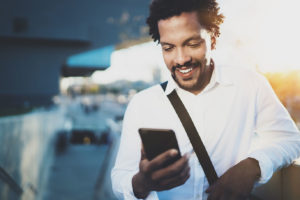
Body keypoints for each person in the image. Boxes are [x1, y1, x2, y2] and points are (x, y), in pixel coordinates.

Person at [111, 0, 300, 199]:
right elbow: (120, 176)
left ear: (214, 38)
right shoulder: (142, 104)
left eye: (192, 44)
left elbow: (291, 140)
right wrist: (142, 182)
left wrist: (253, 165)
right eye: (168, 48)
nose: (181, 59)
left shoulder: (249, 85)